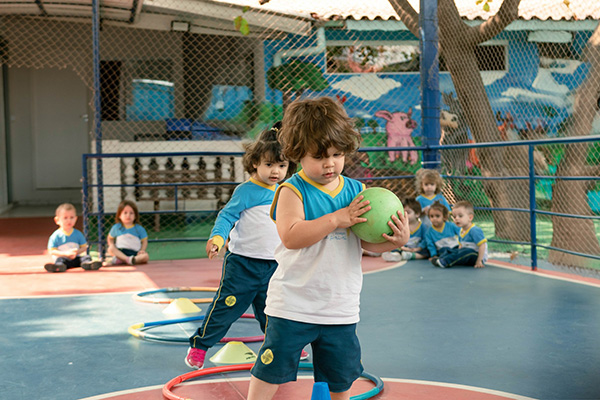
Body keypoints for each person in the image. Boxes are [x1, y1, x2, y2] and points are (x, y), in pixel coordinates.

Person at [247, 97, 410, 400]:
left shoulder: (356, 192)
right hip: (294, 305)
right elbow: (291, 236)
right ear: (297, 153)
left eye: (337, 154)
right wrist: (336, 218)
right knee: (272, 368)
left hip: (339, 307)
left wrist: (393, 241)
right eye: (319, 156)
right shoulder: (292, 191)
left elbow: (365, 244)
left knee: (340, 377)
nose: (330, 163)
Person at [185, 122, 298, 370]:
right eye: (269, 164)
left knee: (274, 312)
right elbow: (226, 216)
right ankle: (200, 346)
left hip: (274, 265)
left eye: (282, 165)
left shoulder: (286, 191)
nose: (276, 171)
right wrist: (217, 238)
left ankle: (281, 348)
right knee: (226, 308)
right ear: (255, 163)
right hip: (243, 265)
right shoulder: (246, 191)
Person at [44, 203, 101, 273]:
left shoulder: (78, 234)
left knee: (86, 257)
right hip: (64, 258)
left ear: (75, 219)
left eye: (71, 217)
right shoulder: (56, 236)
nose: (69, 220)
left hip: (76, 258)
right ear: (57, 220)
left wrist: (76, 252)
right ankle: (59, 267)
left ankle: (88, 264)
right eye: (65, 218)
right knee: (59, 260)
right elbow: (52, 251)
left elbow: (84, 247)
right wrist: (66, 254)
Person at [432, 200, 488, 268]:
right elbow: (461, 246)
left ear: (470, 217)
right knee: (452, 249)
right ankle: (441, 258)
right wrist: (457, 251)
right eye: (455, 217)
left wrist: (479, 261)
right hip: (465, 252)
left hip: (475, 255)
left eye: (460, 216)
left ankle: (446, 261)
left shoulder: (474, 230)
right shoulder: (461, 230)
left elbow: (482, 245)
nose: (456, 219)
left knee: (466, 252)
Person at [106, 200, 149, 265]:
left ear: (135, 216)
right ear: (119, 215)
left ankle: (130, 260)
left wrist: (142, 250)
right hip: (121, 252)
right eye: (125, 213)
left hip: (134, 254)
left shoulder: (139, 228)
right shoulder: (116, 227)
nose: (128, 215)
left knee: (145, 256)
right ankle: (126, 259)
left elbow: (144, 241)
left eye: (131, 213)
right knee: (110, 248)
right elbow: (110, 238)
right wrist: (112, 244)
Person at [424, 200, 461, 264]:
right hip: (442, 251)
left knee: (461, 251)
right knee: (444, 251)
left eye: (437, 216)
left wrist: (461, 244)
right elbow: (430, 245)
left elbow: (461, 234)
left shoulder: (451, 225)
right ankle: (443, 260)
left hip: (455, 248)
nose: (434, 218)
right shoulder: (429, 232)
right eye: (431, 216)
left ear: (444, 217)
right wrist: (434, 255)